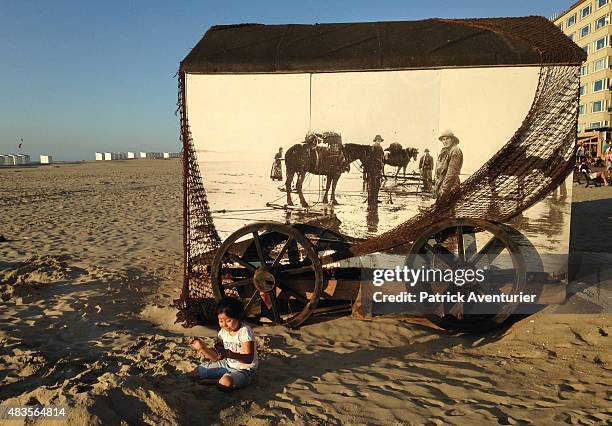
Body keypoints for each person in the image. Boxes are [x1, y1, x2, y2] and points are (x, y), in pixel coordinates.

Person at [189, 297, 258, 390]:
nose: (224, 325)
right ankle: (220, 379)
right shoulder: (223, 332)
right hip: (227, 365)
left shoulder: (245, 332)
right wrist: (202, 348)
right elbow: (217, 357)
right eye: (221, 321)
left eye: (228, 320)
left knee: (225, 382)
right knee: (196, 372)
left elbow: (249, 359)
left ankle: (216, 381)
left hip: (245, 370)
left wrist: (231, 355)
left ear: (238, 317)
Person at [434, 130, 463, 201]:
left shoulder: (455, 150)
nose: (445, 141)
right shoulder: (445, 151)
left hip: (450, 187)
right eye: (443, 139)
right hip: (443, 186)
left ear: (452, 139)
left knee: (448, 209)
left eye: (447, 139)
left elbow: (451, 173)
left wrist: (444, 190)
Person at [365, 135, 385, 205]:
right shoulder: (375, 147)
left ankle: (375, 199)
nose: (378, 141)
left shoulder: (378, 147)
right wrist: (380, 162)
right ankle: (371, 200)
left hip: (377, 169)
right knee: (373, 185)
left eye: (380, 140)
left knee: (377, 185)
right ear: (375, 140)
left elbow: (381, 157)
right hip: (373, 168)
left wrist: (381, 163)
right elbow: (373, 157)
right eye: (378, 140)